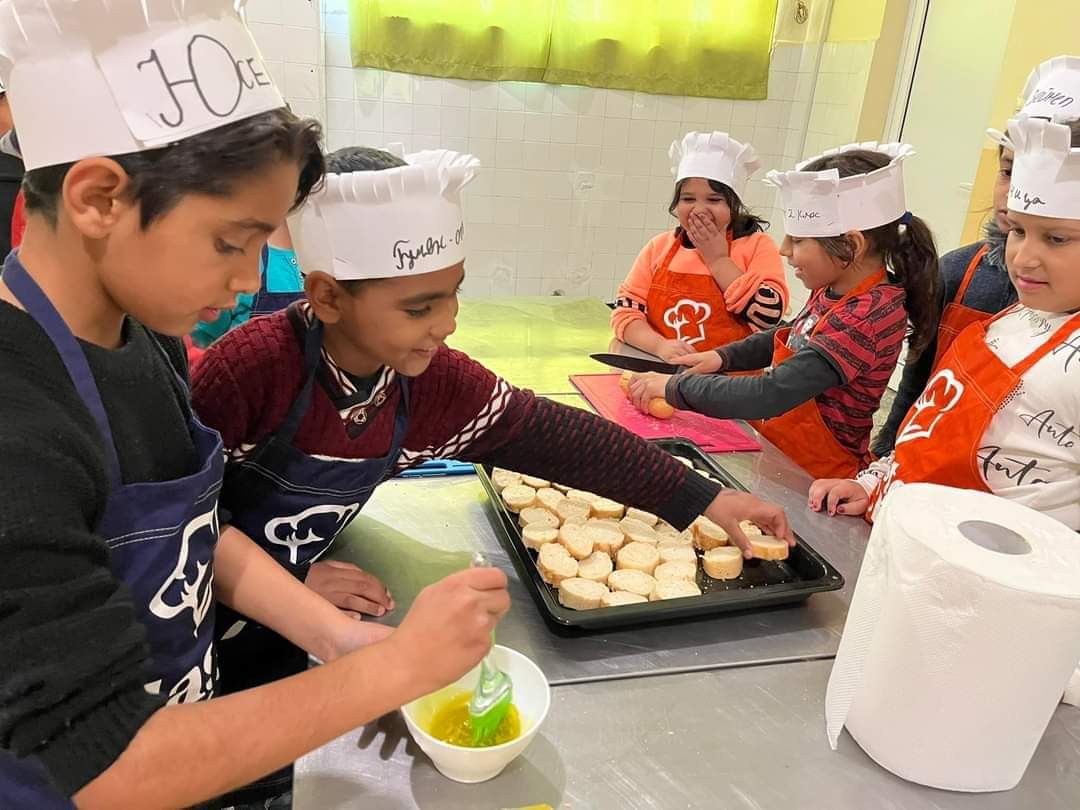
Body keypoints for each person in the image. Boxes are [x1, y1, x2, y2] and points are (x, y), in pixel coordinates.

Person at [0, 3, 510, 807]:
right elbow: (111, 768)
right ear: (98, 198)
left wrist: (332, 634)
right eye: (231, 241)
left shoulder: (145, 339)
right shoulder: (19, 425)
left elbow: (199, 533)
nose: (249, 281)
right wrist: (396, 667)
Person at [189, 144, 795, 712]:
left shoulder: (432, 382)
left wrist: (705, 497)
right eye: (419, 307)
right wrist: (295, 578)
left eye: (452, 294)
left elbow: (558, 438)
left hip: (308, 604)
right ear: (327, 297)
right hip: (199, 612)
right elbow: (180, 521)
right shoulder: (251, 371)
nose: (447, 323)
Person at [809, 116, 1080, 530]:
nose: (1023, 258)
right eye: (1018, 230)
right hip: (908, 536)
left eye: (1056, 239)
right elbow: (932, 429)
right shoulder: (1014, 319)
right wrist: (875, 482)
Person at [626, 144, 940, 482]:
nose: (784, 250)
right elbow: (792, 334)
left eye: (799, 240)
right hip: (781, 455)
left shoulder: (866, 316)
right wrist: (721, 357)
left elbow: (772, 393)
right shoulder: (834, 287)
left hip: (817, 476)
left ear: (852, 245)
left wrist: (673, 387)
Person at [873, 55, 1080, 456]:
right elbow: (918, 388)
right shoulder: (957, 272)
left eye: (1055, 238)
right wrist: (883, 461)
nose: (1014, 190)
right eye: (1007, 170)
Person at [611, 131, 788, 362]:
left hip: (731, 379)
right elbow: (625, 313)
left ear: (734, 205)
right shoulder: (658, 247)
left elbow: (768, 316)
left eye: (714, 200)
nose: (699, 209)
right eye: (688, 199)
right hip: (662, 374)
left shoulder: (757, 246)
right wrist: (660, 346)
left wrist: (718, 260)